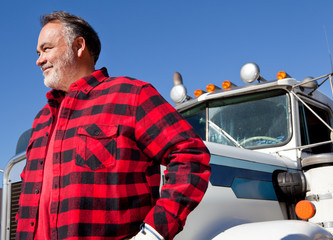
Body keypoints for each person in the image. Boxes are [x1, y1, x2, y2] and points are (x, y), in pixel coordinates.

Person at [16, 11, 211, 240]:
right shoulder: (42, 118)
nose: (39, 60)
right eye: (38, 53)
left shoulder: (131, 95)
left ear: (79, 46)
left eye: (46, 49)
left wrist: (154, 232)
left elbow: (190, 154)